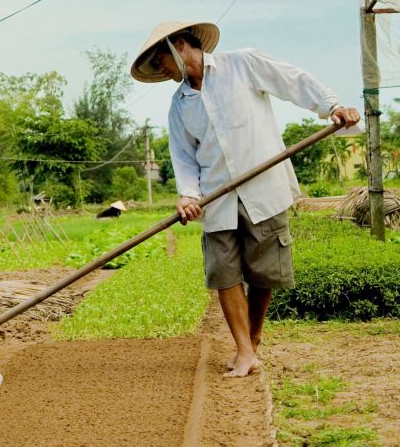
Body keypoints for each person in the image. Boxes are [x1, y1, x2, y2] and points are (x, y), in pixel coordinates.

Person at [130, 21, 359, 377]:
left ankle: (251, 344)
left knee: (263, 271)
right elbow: (185, 157)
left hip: (263, 185)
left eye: (160, 60)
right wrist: (188, 195)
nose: (160, 69)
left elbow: (292, 80)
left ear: (178, 45)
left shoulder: (243, 64)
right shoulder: (179, 106)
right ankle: (243, 348)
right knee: (224, 272)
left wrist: (331, 106)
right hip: (216, 195)